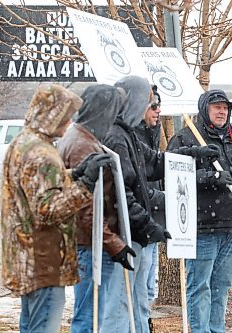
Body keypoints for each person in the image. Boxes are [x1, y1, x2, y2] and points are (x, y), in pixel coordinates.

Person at [101, 76, 219, 333]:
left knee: (140, 302)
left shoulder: (129, 134)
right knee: (121, 306)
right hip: (125, 236)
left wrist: (192, 155)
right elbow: (124, 193)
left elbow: (155, 162)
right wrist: (146, 223)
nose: (154, 107)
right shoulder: (116, 137)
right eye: (150, 102)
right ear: (134, 102)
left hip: (137, 234)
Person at [1, 84, 112, 332]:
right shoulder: (42, 153)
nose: (69, 121)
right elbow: (48, 209)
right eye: (65, 114)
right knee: (42, 327)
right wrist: (85, 183)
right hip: (45, 259)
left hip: (27, 256)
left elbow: (37, 185)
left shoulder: (23, 142)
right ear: (52, 114)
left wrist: (72, 174)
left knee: (30, 325)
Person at [167, 89, 232, 332]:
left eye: (225, 108)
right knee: (200, 286)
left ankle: (216, 328)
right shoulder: (186, 138)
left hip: (230, 227)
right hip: (201, 227)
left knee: (221, 285)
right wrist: (210, 177)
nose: (222, 111)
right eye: (216, 107)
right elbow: (170, 178)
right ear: (204, 110)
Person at [56, 84, 136, 333]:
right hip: (91, 244)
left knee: (91, 314)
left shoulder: (83, 137)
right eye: (113, 110)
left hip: (92, 242)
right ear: (102, 110)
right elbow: (87, 208)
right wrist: (115, 245)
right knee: (89, 316)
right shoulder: (83, 144)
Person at [134, 85, 163, 331]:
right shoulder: (130, 135)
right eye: (153, 106)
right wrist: (157, 196)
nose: (158, 111)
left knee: (150, 285)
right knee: (140, 286)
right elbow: (138, 179)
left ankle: (145, 321)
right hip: (139, 220)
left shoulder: (154, 131)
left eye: (159, 105)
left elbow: (157, 166)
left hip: (153, 218)